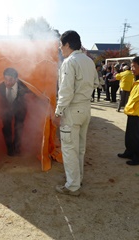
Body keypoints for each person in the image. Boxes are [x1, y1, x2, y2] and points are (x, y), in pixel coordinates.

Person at [53, 30, 99, 196]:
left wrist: (58, 113)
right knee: (79, 148)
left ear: (67, 44)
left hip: (73, 111)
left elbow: (66, 92)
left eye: (60, 44)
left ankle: (72, 186)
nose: (59, 48)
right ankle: (77, 179)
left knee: (69, 149)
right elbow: (96, 82)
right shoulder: (89, 61)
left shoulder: (69, 62)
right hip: (86, 108)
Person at [0, 68, 31, 156]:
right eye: (5, 79)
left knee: (19, 128)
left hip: (20, 109)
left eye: (10, 80)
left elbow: (34, 91)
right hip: (6, 110)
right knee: (6, 129)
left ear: (16, 79)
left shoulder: (22, 86)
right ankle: (10, 149)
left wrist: (42, 97)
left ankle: (17, 148)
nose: (7, 82)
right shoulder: (1, 85)